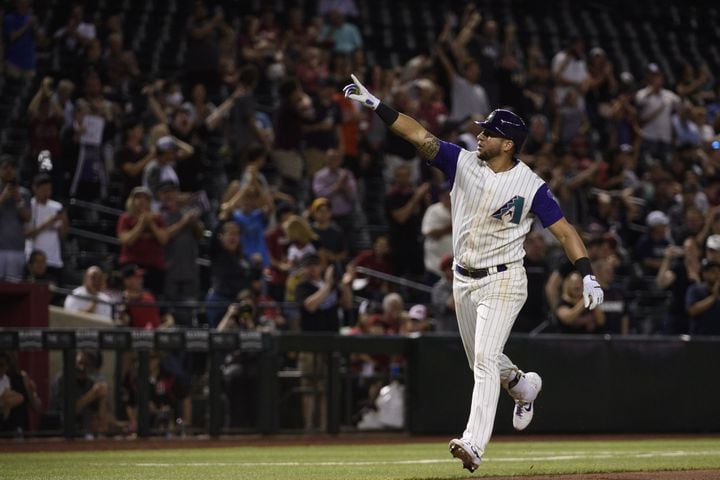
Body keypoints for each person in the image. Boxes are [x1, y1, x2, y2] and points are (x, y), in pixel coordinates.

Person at [343, 74, 604, 473]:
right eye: (482, 130)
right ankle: (522, 385)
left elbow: (565, 232)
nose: (480, 136)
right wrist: (377, 105)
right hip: (463, 280)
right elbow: (419, 135)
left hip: (504, 279)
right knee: (483, 361)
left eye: (489, 133)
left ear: (509, 144)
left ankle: (474, 444)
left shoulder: (530, 185)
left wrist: (587, 273)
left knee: (483, 360)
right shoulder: (462, 162)